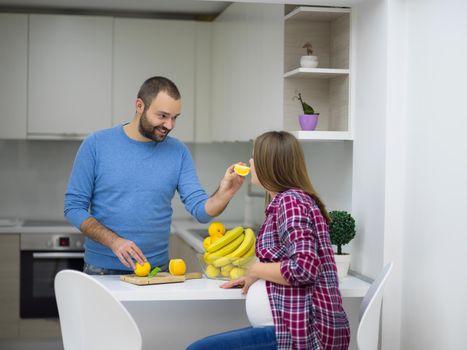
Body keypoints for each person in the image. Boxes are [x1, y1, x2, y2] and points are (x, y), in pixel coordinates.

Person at [64, 76, 244, 275]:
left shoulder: (178, 151)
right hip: (101, 270)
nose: (169, 125)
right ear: (140, 106)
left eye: (175, 117)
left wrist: (225, 192)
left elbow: (200, 211)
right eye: (162, 116)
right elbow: (73, 207)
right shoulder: (96, 144)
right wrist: (114, 242)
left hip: (156, 272)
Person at [187, 131, 350, 350]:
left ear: (269, 163)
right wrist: (256, 277)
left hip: (298, 334)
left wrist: (256, 270)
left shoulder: (290, 203)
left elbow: (304, 268)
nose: (251, 162)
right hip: (287, 327)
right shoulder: (289, 201)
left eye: (254, 157)